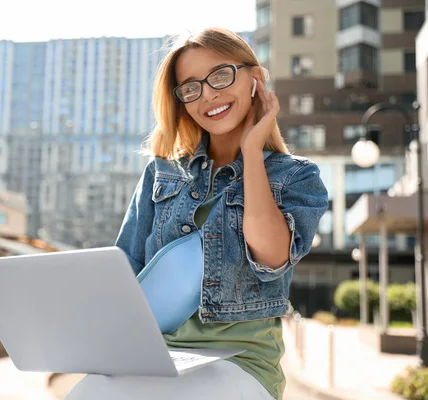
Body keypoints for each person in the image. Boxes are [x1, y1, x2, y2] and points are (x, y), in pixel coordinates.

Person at [47, 27, 328, 400]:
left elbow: (272, 256)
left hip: (241, 362)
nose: (208, 95)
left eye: (221, 75)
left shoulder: (296, 176)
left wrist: (252, 151)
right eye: (191, 87)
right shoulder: (161, 174)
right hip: (156, 357)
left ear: (255, 80)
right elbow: (126, 271)